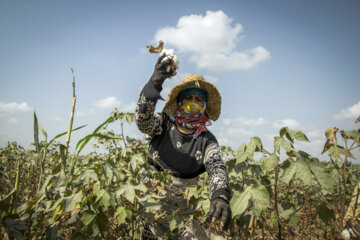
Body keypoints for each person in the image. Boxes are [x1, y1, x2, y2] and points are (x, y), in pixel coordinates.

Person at [135, 54, 232, 239]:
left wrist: (220, 195)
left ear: (204, 105)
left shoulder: (206, 139)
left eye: (198, 99)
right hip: (152, 205)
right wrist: (156, 81)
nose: (193, 103)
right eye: (189, 98)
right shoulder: (163, 124)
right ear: (180, 102)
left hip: (185, 214)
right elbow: (142, 120)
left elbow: (216, 166)